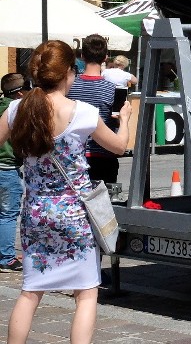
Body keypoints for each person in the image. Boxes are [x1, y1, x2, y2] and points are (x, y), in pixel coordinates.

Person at [0, 40, 131, 344]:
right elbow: (118, 147)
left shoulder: (18, 108)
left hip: (35, 212)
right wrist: (124, 120)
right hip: (74, 213)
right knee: (85, 294)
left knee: (31, 292)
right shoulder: (82, 112)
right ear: (68, 74)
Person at [67, 34, 122, 184]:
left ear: (82, 56)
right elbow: (118, 122)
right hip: (104, 156)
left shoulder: (69, 87)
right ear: (105, 57)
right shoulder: (113, 90)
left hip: (72, 156)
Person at [0, 74, 30, 272]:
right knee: (8, 215)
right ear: (20, 93)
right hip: (8, 168)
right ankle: (7, 258)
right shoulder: (16, 112)